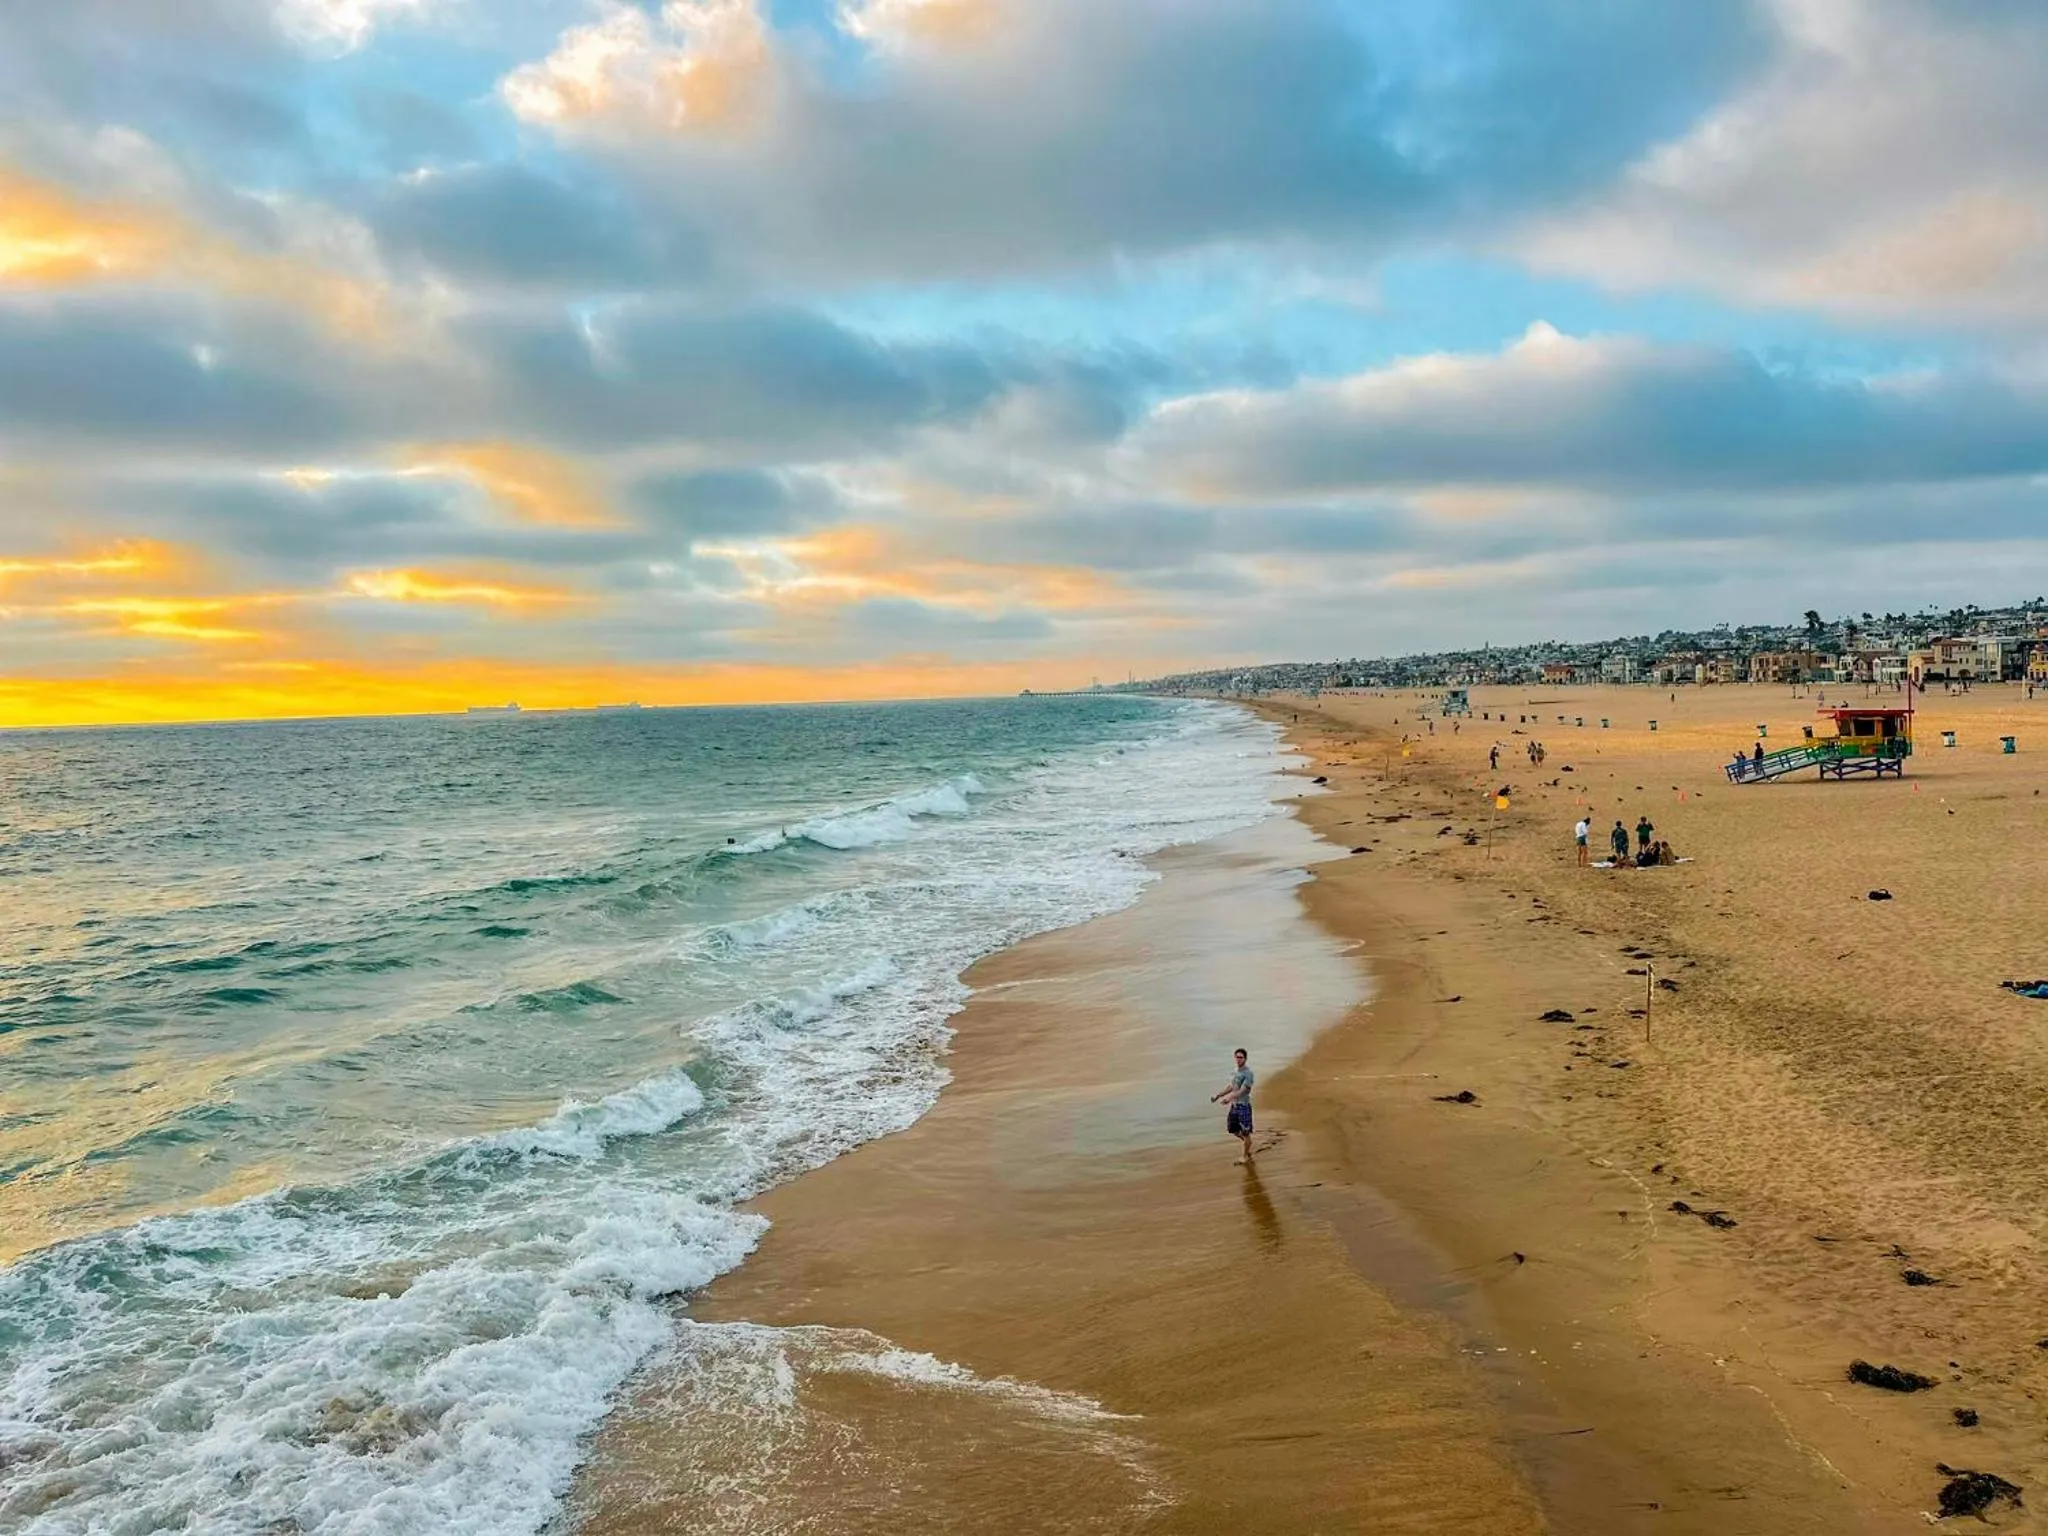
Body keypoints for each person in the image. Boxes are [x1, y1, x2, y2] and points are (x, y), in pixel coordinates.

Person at [1211, 1048, 1256, 1162]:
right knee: (1233, 1129)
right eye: (1236, 1057)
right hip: (1235, 1106)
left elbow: (1243, 1090)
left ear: (1245, 1058)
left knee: (1245, 1132)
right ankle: (1248, 1143)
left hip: (1244, 1106)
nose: (1238, 1059)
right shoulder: (1236, 1071)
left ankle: (1245, 1155)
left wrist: (1228, 1099)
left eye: (1240, 1057)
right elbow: (1231, 1086)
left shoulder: (1248, 1073)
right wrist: (1218, 1095)